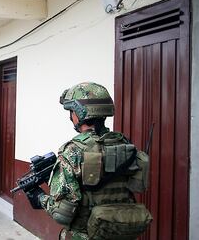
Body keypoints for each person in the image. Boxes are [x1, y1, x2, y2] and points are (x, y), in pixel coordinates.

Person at [26, 82, 151, 239]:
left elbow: (62, 214)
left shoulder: (72, 151)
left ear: (79, 113)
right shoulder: (124, 143)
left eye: (71, 111)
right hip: (120, 232)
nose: (70, 116)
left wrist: (40, 197)